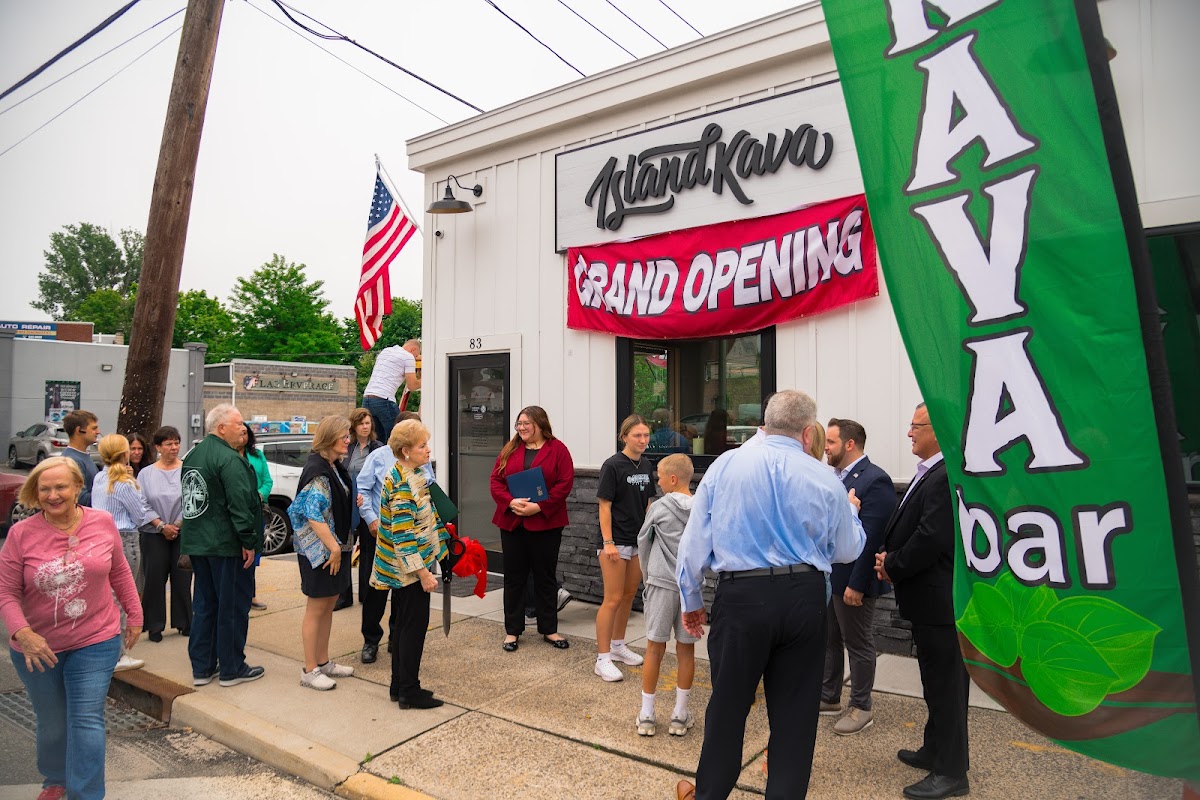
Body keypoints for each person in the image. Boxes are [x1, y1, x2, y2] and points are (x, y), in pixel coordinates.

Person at [675, 390, 865, 800]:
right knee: (796, 717)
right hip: (805, 598)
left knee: (728, 707)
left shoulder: (726, 464)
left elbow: (693, 544)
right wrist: (851, 511)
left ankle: (709, 795)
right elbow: (848, 550)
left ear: (764, 424)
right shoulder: (826, 479)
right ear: (808, 432)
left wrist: (691, 600)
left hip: (742, 595)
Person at [0, 457, 143, 800]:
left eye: (61, 487)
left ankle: (86, 794)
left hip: (96, 638)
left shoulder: (102, 522)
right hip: (38, 647)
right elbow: (6, 592)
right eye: (44, 489)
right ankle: (56, 779)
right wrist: (23, 633)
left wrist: (135, 614)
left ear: (78, 487)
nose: (53, 495)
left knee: (86, 717)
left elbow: (119, 571)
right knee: (52, 721)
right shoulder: (21, 534)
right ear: (35, 492)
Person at [875, 403, 970, 800]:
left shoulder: (944, 475)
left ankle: (951, 772)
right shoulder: (930, 472)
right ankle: (934, 750)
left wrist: (892, 564)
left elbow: (932, 537)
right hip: (927, 603)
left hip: (939, 605)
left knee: (947, 689)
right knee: (934, 684)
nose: (909, 432)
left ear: (937, 429)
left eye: (916, 426)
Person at [820, 418, 897, 736]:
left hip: (853, 581)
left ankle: (861, 707)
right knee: (830, 640)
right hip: (831, 577)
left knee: (858, 643)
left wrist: (857, 584)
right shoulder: (834, 477)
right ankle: (829, 696)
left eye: (831, 442)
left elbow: (871, 538)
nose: (825, 448)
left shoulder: (875, 480)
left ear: (850, 444)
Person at [182, 404, 266, 688]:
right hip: (226, 546)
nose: (243, 428)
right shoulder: (229, 460)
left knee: (205, 605)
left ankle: (203, 667)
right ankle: (231, 667)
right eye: (238, 423)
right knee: (231, 607)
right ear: (221, 428)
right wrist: (248, 541)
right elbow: (239, 504)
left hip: (200, 544)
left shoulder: (193, 455)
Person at [371, 419, 450, 709]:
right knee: (412, 629)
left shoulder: (412, 473)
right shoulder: (403, 484)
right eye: (422, 446)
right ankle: (409, 691)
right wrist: (424, 573)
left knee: (404, 627)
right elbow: (403, 536)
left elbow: (430, 519)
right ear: (405, 451)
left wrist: (444, 551)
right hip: (408, 572)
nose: (428, 450)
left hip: (411, 568)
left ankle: (400, 686)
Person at [490, 406, 574, 652]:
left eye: (527, 423)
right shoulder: (510, 449)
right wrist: (510, 502)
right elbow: (496, 481)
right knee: (514, 577)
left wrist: (539, 507)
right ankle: (512, 631)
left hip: (546, 523)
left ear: (540, 423)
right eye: (519, 423)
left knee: (545, 577)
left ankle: (549, 629)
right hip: (513, 522)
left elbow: (564, 484)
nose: (521, 427)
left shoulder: (558, 450)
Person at [289, 416, 357, 691]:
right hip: (319, 552)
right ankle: (310, 670)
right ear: (330, 438)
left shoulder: (333, 466)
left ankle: (323, 661)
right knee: (316, 608)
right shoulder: (318, 470)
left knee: (328, 604)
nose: (348, 440)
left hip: (333, 550)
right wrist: (334, 548)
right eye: (344, 436)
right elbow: (312, 513)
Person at [635, 453, 696, 738]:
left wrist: (647, 577)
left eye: (659, 477)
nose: (657, 483)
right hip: (689, 588)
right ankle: (680, 715)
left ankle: (647, 714)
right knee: (686, 650)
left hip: (660, 583)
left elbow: (643, 543)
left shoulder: (659, 508)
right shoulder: (701, 508)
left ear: (672, 479)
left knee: (654, 647)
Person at [92, 434, 165, 672]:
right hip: (125, 539)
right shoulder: (124, 483)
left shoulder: (99, 477)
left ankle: (107, 648)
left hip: (102, 537)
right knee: (123, 597)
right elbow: (140, 516)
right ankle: (119, 654)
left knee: (109, 597)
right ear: (124, 454)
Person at [356, 411, 423, 664]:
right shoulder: (378, 456)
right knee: (376, 590)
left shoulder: (421, 458)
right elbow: (363, 489)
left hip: (409, 535)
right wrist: (371, 519)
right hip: (380, 533)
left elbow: (428, 489)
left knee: (403, 588)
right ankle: (371, 640)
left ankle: (397, 637)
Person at [594, 414, 653, 682]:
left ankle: (618, 646)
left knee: (629, 595)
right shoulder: (612, 465)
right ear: (624, 437)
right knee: (613, 598)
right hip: (615, 541)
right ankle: (602, 658)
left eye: (646, 435)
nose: (642, 440)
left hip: (637, 540)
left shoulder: (646, 464)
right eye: (637, 435)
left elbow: (648, 503)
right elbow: (604, 506)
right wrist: (608, 543)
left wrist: (649, 535)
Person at [138, 426, 191, 642]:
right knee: (154, 578)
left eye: (177, 443)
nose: (174, 447)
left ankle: (184, 622)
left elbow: (193, 498)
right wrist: (161, 526)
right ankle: (154, 625)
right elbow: (141, 503)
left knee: (183, 578)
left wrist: (177, 524)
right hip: (153, 533)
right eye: (169, 444)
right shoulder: (146, 473)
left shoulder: (187, 470)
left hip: (182, 531)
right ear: (158, 447)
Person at [336, 408, 385, 612]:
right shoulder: (348, 446)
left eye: (368, 423)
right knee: (345, 548)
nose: (365, 427)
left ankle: (367, 594)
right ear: (354, 426)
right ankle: (344, 596)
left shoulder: (378, 448)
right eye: (361, 423)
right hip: (348, 503)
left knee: (368, 550)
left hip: (368, 504)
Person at [239, 424, 272, 612]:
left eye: (245, 433)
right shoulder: (228, 456)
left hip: (256, 510)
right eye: (240, 433)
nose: (242, 436)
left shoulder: (257, 455)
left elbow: (267, 480)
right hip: (236, 510)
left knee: (253, 555)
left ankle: (251, 595)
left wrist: (259, 494)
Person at [362, 339, 421, 445]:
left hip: (367, 399)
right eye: (415, 355)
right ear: (413, 349)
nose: (415, 358)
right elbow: (412, 386)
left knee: (376, 440)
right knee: (399, 435)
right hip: (384, 399)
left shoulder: (386, 351)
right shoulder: (408, 357)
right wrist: (426, 378)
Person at [60, 409, 99, 507]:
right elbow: (80, 499)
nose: (98, 432)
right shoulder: (72, 461)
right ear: (79, 430)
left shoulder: (83, 456)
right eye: (94, 428)